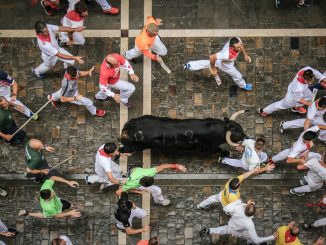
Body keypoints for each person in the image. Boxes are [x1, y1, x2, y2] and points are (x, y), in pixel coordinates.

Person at [182, 37, 253, 90]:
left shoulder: (237, 40)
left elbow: (241, 45)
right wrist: (213, 68)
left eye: (240, 45)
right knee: (238, 76)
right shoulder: (225, 54)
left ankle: (189, 65)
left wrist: (245, 54)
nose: (240, 48)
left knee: (207, 63)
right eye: (238, 47)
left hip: (226, 62)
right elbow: (212, 57)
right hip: (226, 66)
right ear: (231, 47)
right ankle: (243, 85)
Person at [258, 67, 325, 116]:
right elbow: (298, 99)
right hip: (291, 98)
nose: (311, 82)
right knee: (280, 105)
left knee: (310, 95)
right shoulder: (298, 88)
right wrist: (311, 104)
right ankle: (265, 111)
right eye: (310, 81)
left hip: (303, 91)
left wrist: (324, 79)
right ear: (305, 80)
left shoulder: (307, 69)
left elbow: (316, 73)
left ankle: (296, 107)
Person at [199, 201, 276, 244]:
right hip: (239, 232)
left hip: (231, 224)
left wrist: (237, 201)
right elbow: (256, 239)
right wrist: (272, 237)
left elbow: (225, 209)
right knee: (250, 238)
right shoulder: (249, 224)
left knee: (223, 229)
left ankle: (209, 230)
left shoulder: (238, 207)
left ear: (246, 207)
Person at [116, 164, 187, 206]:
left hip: (133, 172)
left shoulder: (150, 172)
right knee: (158, 190)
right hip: (131, 176)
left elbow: (163, 166)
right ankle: (159, 201)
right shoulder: (132, 184)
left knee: (157, 190)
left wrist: (176, 166)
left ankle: (159, 200)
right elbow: (118, 192)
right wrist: (138, 192)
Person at [19, 176, 85, 219]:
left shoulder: (46, 187)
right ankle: (27, 213)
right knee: (44, 215)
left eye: (51, 192)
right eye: (51, 194)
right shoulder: (48, 207)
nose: (53, 192)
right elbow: (56, 215)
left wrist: (68, 182)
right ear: (47, 198)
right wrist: (69, 213)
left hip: (58, 202)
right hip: (55, 210)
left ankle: (72, 210)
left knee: (69, 205)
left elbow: (53, 177)